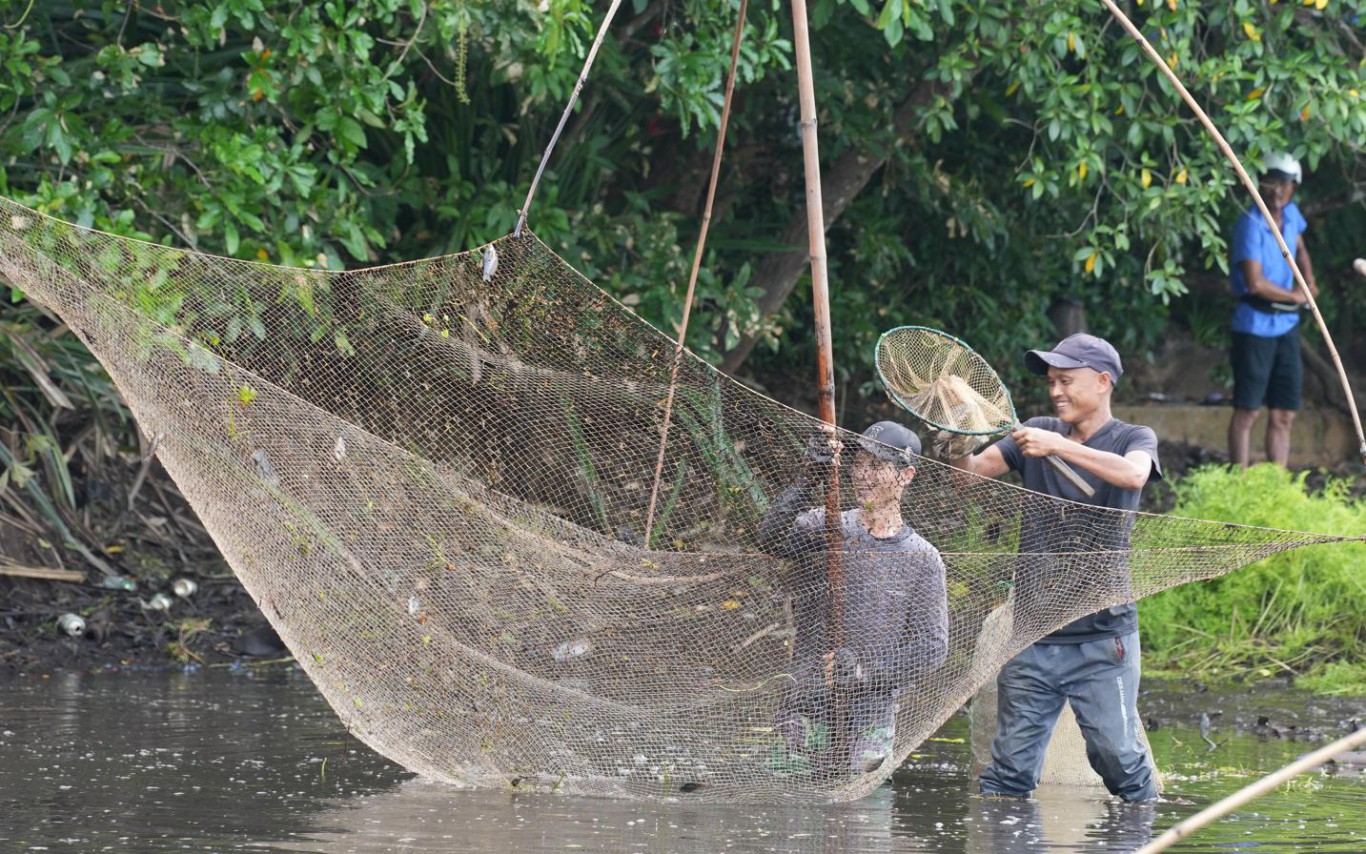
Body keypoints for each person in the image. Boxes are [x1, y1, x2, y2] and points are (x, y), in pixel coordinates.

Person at [936, 333, 1161, 802]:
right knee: (1009, 771)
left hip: (1103, 637)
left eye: (1066, 381)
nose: (1055, 391)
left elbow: (1134, 474)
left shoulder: (1133, 438)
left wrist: (1057, 447)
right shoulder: (1036, 430)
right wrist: (958, 441)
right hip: (1031, 633)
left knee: (1117, 759)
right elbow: (969, 480)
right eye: (1051, 382)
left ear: (1103, 382)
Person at [758, 421, 949, 776]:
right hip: (804, 703)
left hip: (869, 718)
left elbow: (931, 648)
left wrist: (863, 671)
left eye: (876, 466)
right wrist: (807, 480)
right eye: (859, 463)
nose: (862, 474)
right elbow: (770, 540)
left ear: (906, 475)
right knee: (784, 809)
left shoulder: (922, 558)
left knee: (863, 819)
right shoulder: (827, 526)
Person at [1227, 152, 1318, 468]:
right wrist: (1297, 295)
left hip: (1286, 326)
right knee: (1248, 409)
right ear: (1260, 183)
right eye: (1271, 182)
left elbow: (1300, 247)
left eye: (1285, 184)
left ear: (1293, 187)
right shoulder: (1250, 223)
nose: (1277, 191)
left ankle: (1276, 486)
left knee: (1284, 413)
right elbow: (1255, 283)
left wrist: (1309, 280)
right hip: (1255, 325)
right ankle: (1237, 482)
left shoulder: (1291, 214)